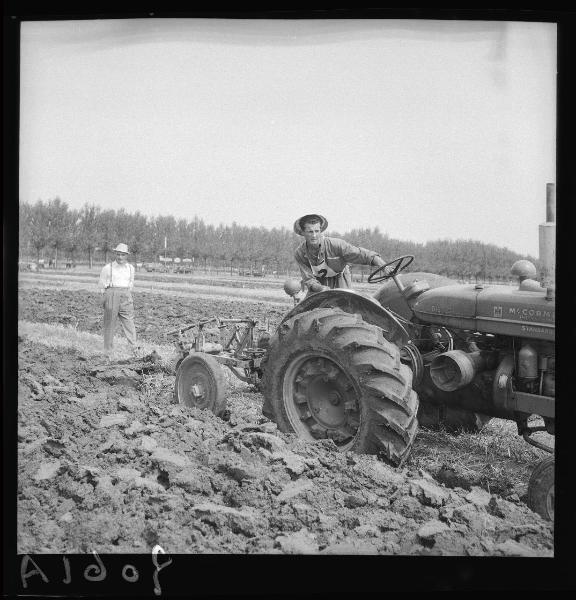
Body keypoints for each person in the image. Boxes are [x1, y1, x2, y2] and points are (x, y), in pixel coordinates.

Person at [293, 213, 389, 294]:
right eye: (310, 232)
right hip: (318, 284)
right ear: (303, 233)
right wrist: (321, 289)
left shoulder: (336, 245)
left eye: (317, 231)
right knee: (308, 311)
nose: (314, 235)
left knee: (346, 306)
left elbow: (360, 254)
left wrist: (383, 265)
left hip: (340, 279)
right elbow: (309, 279)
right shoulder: (300, 253)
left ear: (321, 231)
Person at [98, 243, 139, 355]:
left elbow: (131, 283)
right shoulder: (107, 268)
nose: (120, 257)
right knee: (109, 323)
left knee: (129, 322)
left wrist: (126, 295)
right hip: (111, 294)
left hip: (126, 295)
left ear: (126, 255)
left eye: (123, 255)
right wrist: (106, 299)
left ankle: (133, 349)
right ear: (115, 254)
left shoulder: (131, 268)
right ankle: (108, 350)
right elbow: (101, 285)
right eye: (118, 254)